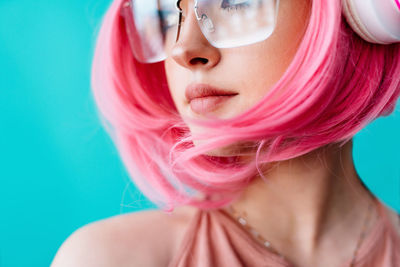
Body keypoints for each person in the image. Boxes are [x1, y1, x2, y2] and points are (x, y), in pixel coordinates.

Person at [51, 0, 400, 266]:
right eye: (166, 16)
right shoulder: (108, 258)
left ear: (357, 13)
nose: (183, 49)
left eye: (234, 1)